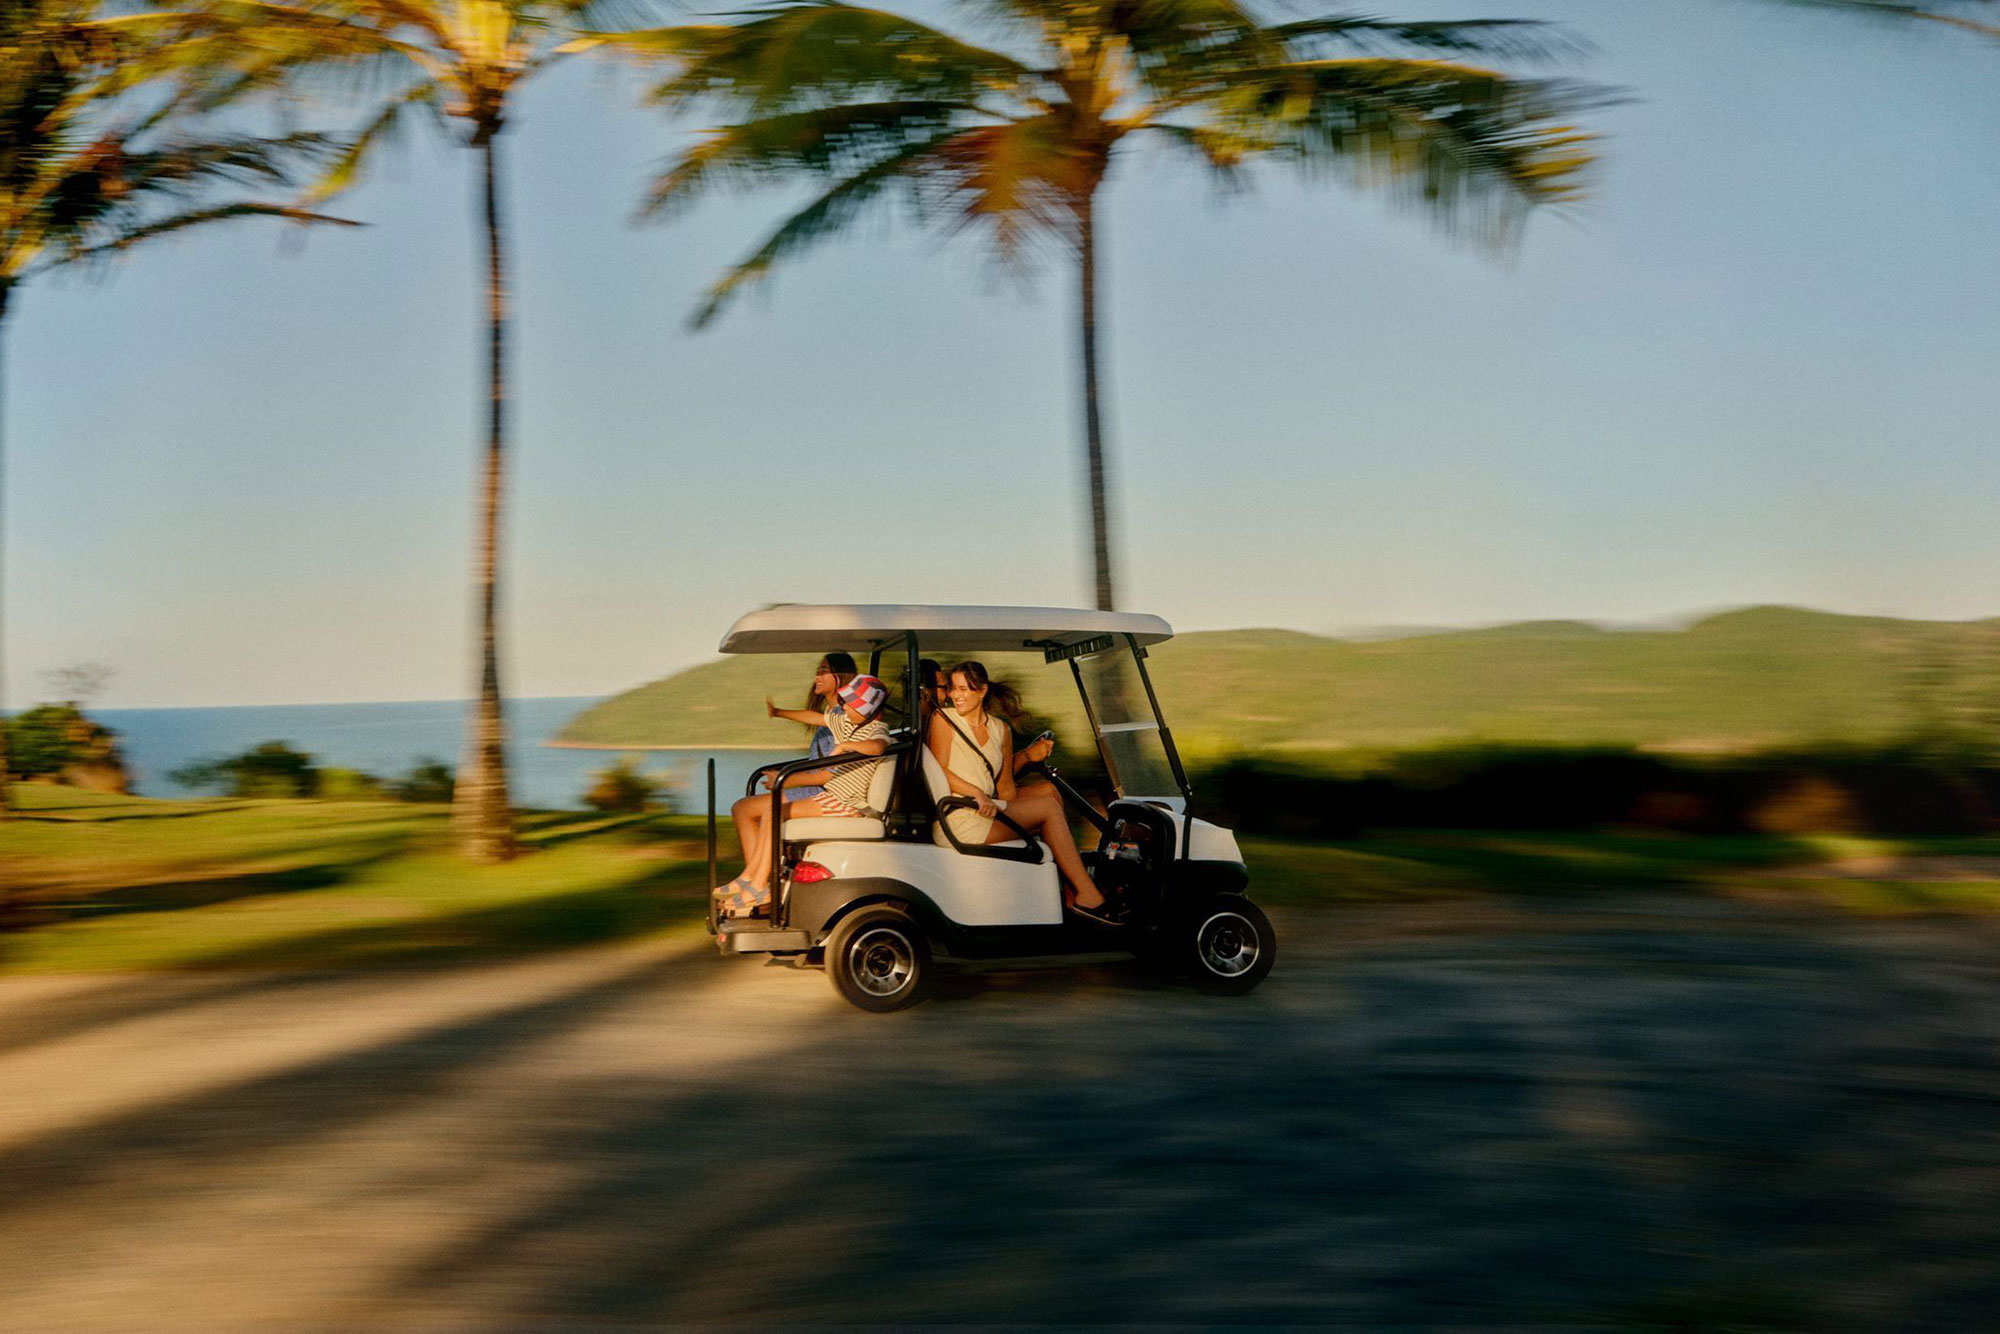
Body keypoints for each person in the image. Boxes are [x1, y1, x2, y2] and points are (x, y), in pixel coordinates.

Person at [928, 660, 1116, 925]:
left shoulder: (1000, 729)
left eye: (963, 689)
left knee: (1048, 792)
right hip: (959, 815)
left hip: (986, 809)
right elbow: (940, 771)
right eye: (952, 689)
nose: (955, 695)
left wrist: (1026, 763)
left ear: (981, 691)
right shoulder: (943, 720)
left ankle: (1072, 891)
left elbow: (1006, 788)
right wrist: (977, 794)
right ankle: (1087, 894)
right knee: (1048, 809)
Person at [718, 674, 891, 917]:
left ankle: (758, 886)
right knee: (771, 811)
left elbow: (878, 747)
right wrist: (778, 712)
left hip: (848, 805)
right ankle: (752, 879)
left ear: (867, 708)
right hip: (832, 798)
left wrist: (846, 747)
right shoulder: (851, 723)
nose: (843, 707)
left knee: (774, 811)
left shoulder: (877, 729)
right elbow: (816, 718)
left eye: (850, 704)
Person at [766, 652, 856, 801]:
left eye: (824, 671)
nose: (817, 677)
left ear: (841, 675)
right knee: (750, 807)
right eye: (817, 671)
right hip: (817, 789)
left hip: (828, 793)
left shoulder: (843, 716)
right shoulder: (831, 713)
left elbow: (832, 773)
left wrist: (786, 779)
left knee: (746, 807)